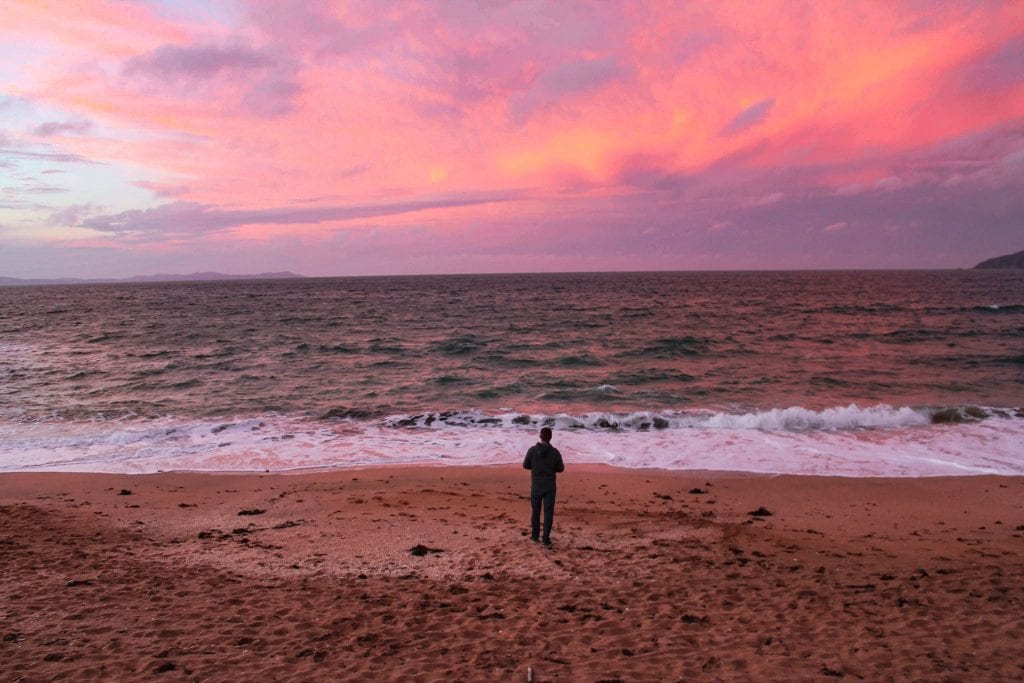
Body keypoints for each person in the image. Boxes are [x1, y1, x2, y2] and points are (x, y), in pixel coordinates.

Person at [523, 426, 564, 546]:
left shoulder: (532, 450)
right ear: (550, 438)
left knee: (535, 511)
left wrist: (536, 467)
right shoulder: (555, 452)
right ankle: (546, 538)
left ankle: (535, 536)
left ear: (540, 436)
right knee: (548, 513)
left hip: (536, 484)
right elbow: (561, 468)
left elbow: (526, 465)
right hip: (550, 485)